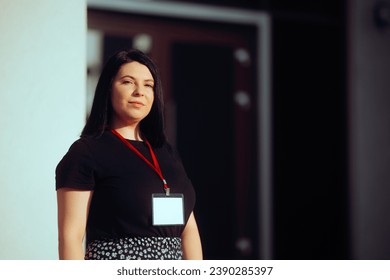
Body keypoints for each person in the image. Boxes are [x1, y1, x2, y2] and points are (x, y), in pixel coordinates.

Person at [56, 49, 202, 260]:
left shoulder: (167, 152)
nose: (139, 91)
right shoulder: (86, 152)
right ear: (108, 89)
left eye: (148, 85)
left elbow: (188, 230)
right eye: (128, 82)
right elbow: (70, 237)